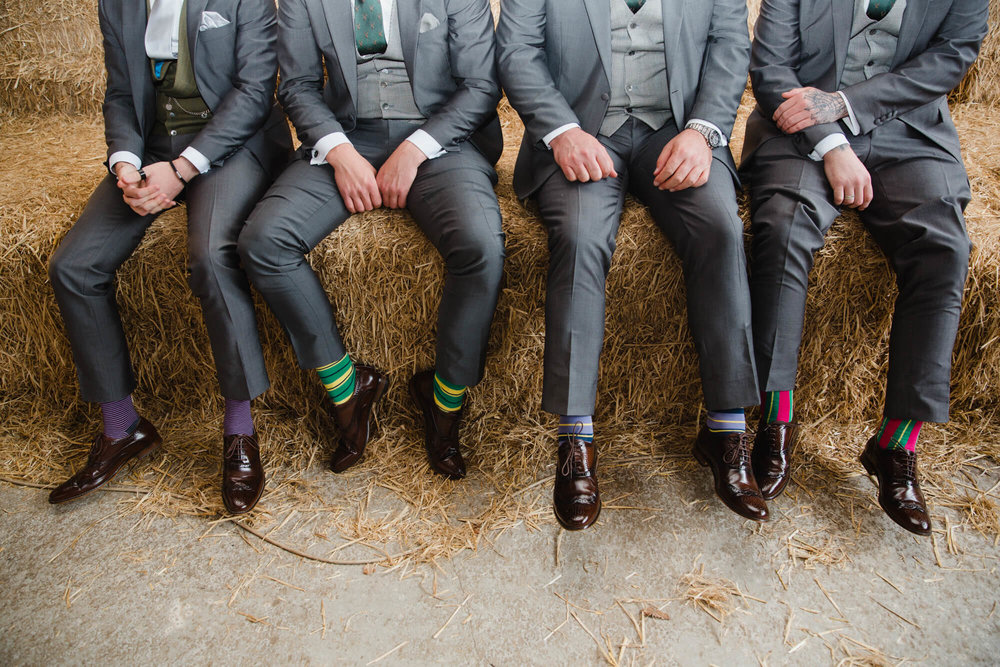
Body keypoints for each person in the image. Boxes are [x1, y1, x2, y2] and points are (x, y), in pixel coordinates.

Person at [497, 0, 763, 530]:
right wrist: (561, 132)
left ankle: (726, 428)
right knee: (578, 235)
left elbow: (730, 47)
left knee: (721, 228)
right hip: (583, 132)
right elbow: (517, 51)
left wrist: (704, 130)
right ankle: (576, 438)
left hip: (677, 131)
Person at [743, 0, 988, 534]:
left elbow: (951, 58)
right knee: (783, 228)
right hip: (799, 131)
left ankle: (896, 445)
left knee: (945, 250)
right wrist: (830, 140)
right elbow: (770, 68)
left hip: (910, 134)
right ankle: (775, 419)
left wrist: (844, 104)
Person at [238, 0, 505, 480]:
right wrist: (339, 151)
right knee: (263, 242)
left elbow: (482, 86)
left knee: (481, 247)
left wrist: (415, 149)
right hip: (348, 137)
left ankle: (445, 401)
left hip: (441, 142)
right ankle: (347, 387)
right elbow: (297, 87)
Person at [47, 0, 292, 513]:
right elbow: (120, 92)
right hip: (155, 146)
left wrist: (182, 169)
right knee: (73, 266)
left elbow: (254, 93)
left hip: (231, 145)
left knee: (209, 256)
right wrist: (126, 163)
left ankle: (240, 433)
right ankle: (123, 427)